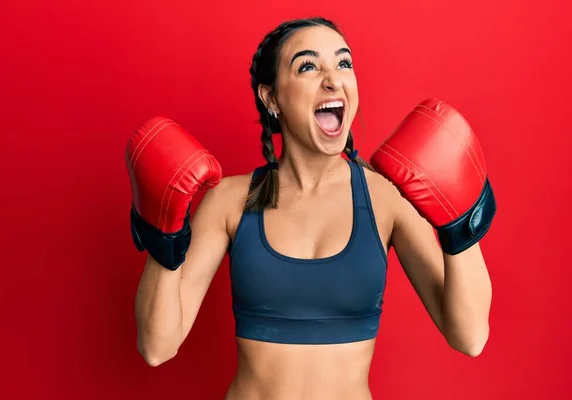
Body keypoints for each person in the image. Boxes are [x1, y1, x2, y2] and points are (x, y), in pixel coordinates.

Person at [125, 17, 495, 400]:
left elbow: (470, 337)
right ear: (271, 98)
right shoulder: (230, 201)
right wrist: (162, 235)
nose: (333, 79)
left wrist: (463, 224)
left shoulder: (387, 199)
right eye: (308, 66)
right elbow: (157, 347)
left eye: (344, 64)